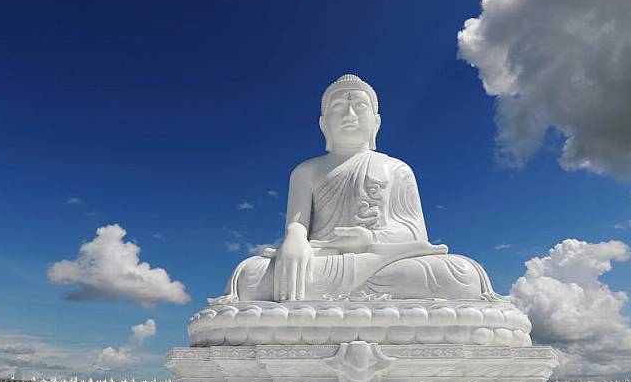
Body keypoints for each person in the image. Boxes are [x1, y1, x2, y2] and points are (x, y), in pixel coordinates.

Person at [215, 75, 502, 303]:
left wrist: (368, 238)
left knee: (459, 274)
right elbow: (297, 226)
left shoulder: (397, 169)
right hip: (320, 262)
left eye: (359, 107)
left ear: (375, 122)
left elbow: (415, 234)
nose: (349, 113)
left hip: (381, 261)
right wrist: (294, 240)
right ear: (324, 123)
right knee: (251, 277)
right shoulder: (306, 171)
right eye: (338, 108)